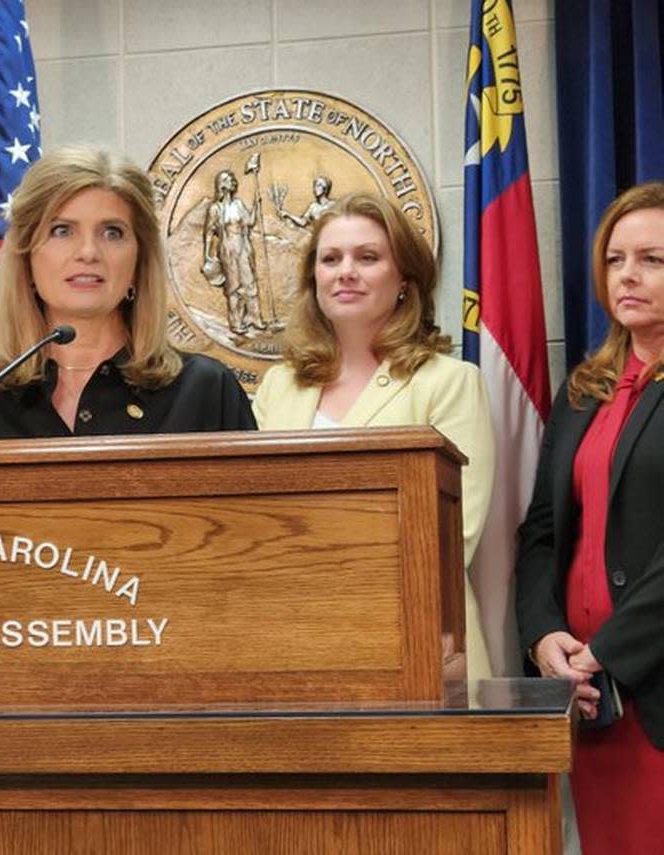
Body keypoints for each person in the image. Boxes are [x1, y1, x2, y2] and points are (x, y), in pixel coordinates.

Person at [252, 191, 494, 681]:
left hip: (420, 643)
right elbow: (253, 516)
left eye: (368, 258)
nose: (346, 271)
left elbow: (452, 534)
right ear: (313, 279)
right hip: (294, 644)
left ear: (404, 280)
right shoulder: (279, 386)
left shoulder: (449, 382)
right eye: (331, 259)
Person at [515, 181, 664, 853]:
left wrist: (607, 653)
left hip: (646, 682)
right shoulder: (585, 388)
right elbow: (542, 529)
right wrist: (546, 636)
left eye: (653, 259)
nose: (627, 274)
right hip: (586, 694)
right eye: (615, 258)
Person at [0, 145, 255, 441]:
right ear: (26, 256)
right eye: (62, 230)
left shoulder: (206, 391)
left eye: (112, 232)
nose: (88, 252)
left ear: (140, 259)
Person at [202, 169, 266, 335]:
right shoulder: (215, 209)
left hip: (243, 246)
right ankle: (236, 322)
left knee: (250, 282)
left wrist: (256, 205)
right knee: (233, 286)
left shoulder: (238, 204)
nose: (234, 183)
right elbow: (209, 232)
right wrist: (206, 255)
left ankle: (254, 318)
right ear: (222, 185)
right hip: (227, 248)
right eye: (230, 180)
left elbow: (250, 222)